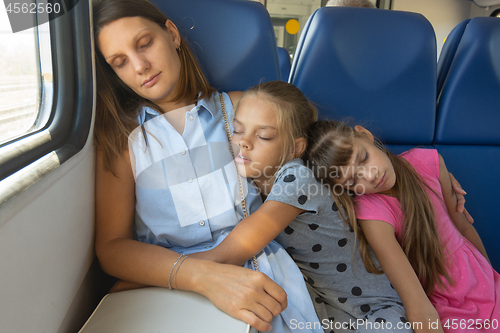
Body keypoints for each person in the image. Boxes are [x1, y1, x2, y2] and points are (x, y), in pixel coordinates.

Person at [92, 0, 321, 331]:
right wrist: (198, 275)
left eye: (145, 44)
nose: (140, 65)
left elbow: (303, 166)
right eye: (120, 62)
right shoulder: (121, 142)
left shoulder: (243, 108)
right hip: (168, 285)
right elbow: (112, 248)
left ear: (171, 34)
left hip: (257, 272)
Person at [191, 80, 417, 333]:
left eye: (263, 136)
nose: (244, 143)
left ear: (295, 148)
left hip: (378, 315)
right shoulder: (252, 180)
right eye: (238, 130)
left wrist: (157, 273)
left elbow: (230, 253)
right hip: (333, 319)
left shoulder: (297, 179)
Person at [305, 120, 500, 333]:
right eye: (353, 181)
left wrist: (492, 278)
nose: (370, 176)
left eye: (364, 158)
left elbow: (464, 228)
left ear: (365, 135)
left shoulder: (428, 161)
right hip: (448, 307)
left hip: (487, 284)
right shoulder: (373, 215)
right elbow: (416, 302)